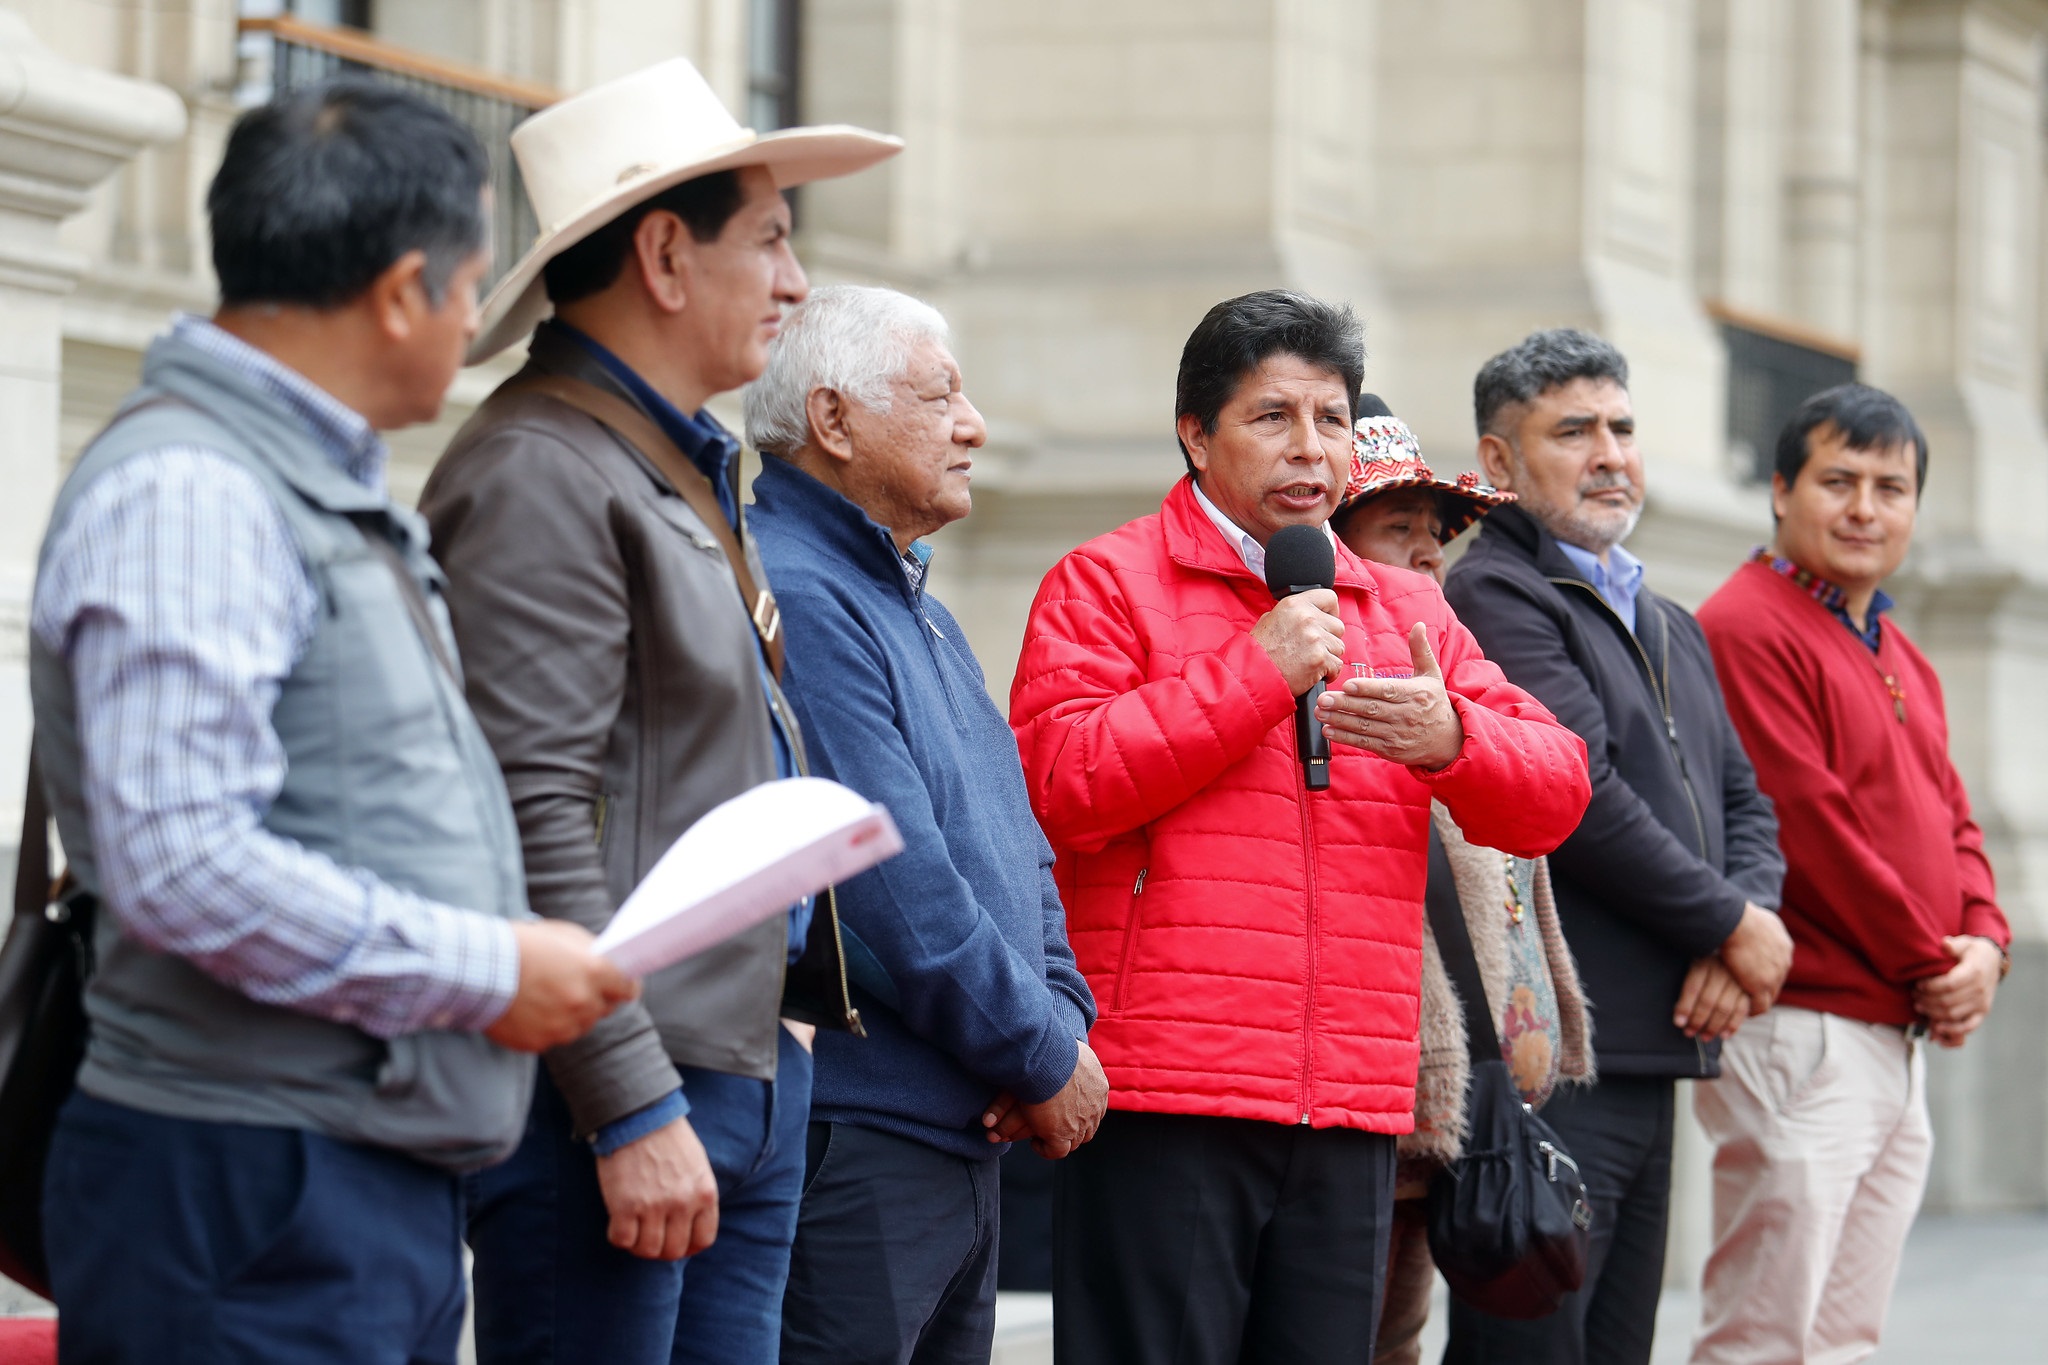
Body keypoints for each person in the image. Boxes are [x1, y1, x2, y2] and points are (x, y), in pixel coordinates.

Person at [28, 82, 636, 1363]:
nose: (480, 322)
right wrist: (487, 969)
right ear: (405, 287)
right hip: (247, 1181)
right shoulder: (196, 489)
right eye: (475, 282)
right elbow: (183, 862)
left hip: (333, 1173)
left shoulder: (289, 477)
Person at [417, 59, 900, 1365]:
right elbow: (533, 809)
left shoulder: (660, 460)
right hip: (619, 1093)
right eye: (773, 242)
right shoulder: (540, 468)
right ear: (667, 258)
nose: (795, 284)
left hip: (725, 1071)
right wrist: (628, 1104)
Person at [1009, 289, 1593, 1364]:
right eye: (1271, 417)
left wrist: (1451, 736)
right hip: (1169, 1091)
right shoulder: (1105, 580)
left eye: (1329, 419)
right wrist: (1253, 672)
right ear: (1194, 433)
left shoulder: (1403, 608)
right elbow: (1059, 787)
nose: (1308, 449)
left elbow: (1556, 787)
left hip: (1352, 1099)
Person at [743, 284, 1106, 1365]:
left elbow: (1019, 845)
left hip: (962, 1126)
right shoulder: (797, 593)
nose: (974, 425)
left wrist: (1058, 1024)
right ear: (833, 419)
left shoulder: (921, 609)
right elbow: (890, 882)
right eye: (940, 393)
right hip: (858, 1139)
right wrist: (1039, 1053)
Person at [1441, 328, 1794, 1365]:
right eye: (1573, 431)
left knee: (1615, 1346)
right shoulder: (1495, 594)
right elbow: (1579, 799)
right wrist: (1726, 923)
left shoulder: (1667, 618)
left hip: (1654, 1037)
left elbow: (1740, 795)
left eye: (1622, 427)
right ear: (1497, 463)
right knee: (1532, 1348)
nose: (1609, 454)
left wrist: (1741, 923)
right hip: (1554, 1053)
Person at [1689, 384, 2010, 1364]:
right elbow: (1809, 830)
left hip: (1889, 1025)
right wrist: (1933, 965)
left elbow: (1954, 815)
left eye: (1889, 487)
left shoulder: (1898, 648)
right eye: (1837, 481)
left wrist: (1986, 947)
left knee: (1840, 1341)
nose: (1864, 508)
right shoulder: (1748, 624)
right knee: (1760, 1335)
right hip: (1801, 1026)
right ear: (1780, 490)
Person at [1331, 397, 1593, 1365]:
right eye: (1396, 528)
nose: (1428, 553)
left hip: (1453, 1112)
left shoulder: (1456, 660)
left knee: (1398, 1341)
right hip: (1366, 1108)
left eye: (1434, 532)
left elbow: (1558, 785)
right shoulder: (1331, 677)